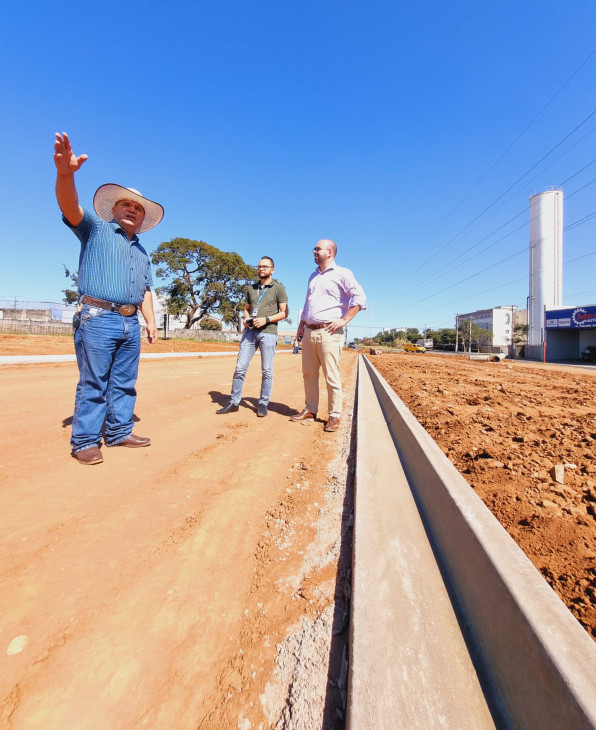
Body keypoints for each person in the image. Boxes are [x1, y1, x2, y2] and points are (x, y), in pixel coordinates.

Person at [53, 132, 163, 465]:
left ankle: (119, 431)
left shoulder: (143, 253)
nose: (131, 210)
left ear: (143, 219)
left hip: (131, 323)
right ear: (113, 210)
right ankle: (85, 439)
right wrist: (65, 174)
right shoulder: (96, 229)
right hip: (98, 318)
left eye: (137, 208)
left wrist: (151, 322)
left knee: (125, 381)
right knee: (94, 381)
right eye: (125, 204)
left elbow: (145, 289)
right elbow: (69, 206)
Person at [291, 239, 366, 432]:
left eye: (318, 248)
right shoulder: (312, 276)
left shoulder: (343, 273)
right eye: (315, 248)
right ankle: (310, 409)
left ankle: (334, 416)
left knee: (331, 376)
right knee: (309, 374)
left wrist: (344, 320)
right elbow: (308, 304)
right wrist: (300, 325)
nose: (314, 251)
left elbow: (359, 298)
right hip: (309, 331)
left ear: (330, 252)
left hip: (329, 332)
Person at [217, 257, 288, 418]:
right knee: (240, 368)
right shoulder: (251, 288)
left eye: (265, 266)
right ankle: (234, 402)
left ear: (272, 269)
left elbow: (284, 313)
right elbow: (246, 309)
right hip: (250, 333)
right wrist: (246, 319)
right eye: (259, 266)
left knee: (267, 371)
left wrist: (266, 319)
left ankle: (263, 403)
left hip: (268, 332)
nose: (261, 269)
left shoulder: (278, 288)